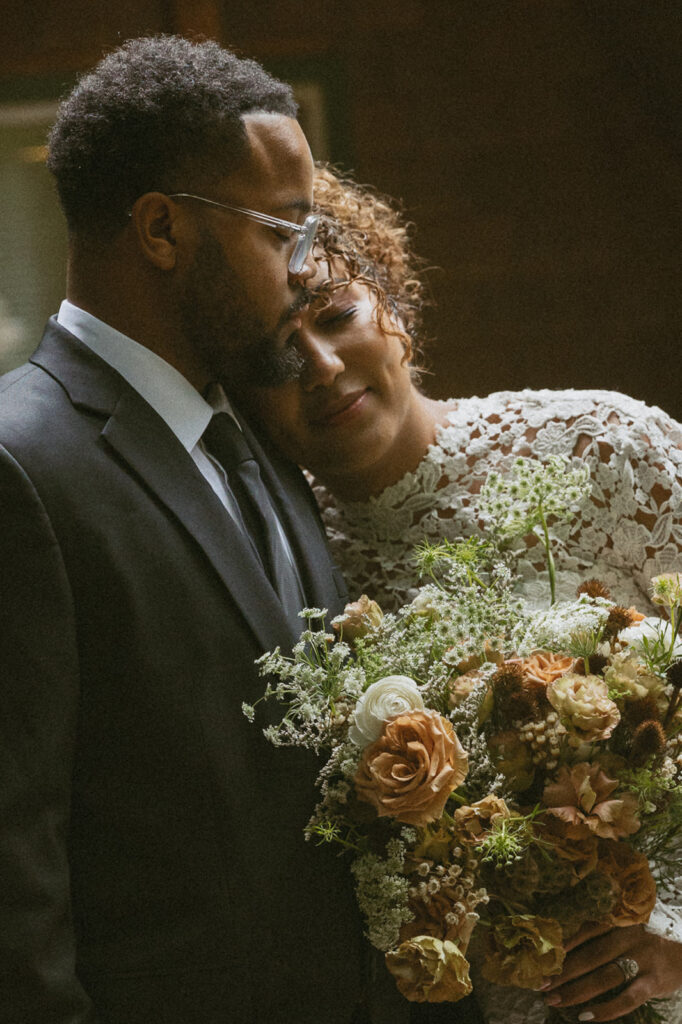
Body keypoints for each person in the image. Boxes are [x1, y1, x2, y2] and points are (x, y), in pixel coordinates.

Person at [0, 38, 419, 1024]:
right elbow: (14, 887)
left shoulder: (261, 430)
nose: (308, 265)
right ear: (159, 229)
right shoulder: (19, 467)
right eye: (283, 228)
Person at [239, 165, 682, 1024]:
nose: (324, 367)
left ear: (395, 310)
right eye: (278, 358)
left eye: (338, 317)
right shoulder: (284, 564)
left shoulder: (605, 445)